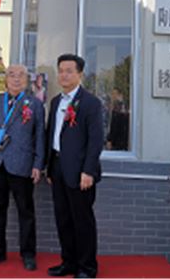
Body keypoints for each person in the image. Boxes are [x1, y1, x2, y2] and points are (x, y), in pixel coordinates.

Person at [0, 64, 46, 271]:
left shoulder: (35, 104)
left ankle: (28, 254)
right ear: (5, 79)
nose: (16, 79)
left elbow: (40, 137)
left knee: (26, 212)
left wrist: (38, 164)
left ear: (27, 80)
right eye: (12, 75)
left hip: (22, 165)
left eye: (21, 75)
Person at [46, 54, 104, 278]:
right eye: (61, 70)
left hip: (80, 172)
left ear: (80, 74)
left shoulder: (90, 103)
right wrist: (49, 167)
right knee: (63, 219)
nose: (64, 75)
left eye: (69, 71)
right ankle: (68, 262)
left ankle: (87, 267)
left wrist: (88, 171)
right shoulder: (55, 102)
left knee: (82, 221)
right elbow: (51, 134)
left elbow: (96, 140)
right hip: (58, 168)